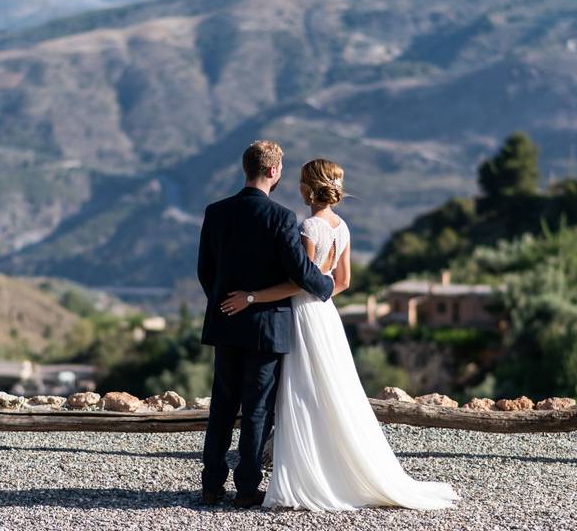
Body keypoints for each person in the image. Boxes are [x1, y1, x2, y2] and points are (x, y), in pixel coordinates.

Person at [220, 158, 461, 512]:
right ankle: (333, 469)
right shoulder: (342, 227)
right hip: (326, 316)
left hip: (302, 315)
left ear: (306, 188)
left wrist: (252, 297)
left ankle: (307, 475)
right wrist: (319, 300)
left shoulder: (307, 227)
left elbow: (297, 280)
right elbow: (343, 281)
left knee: (301, 393)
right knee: (332, 390)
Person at [197, 140, 335, 508]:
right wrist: (327, 284)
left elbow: (205, 272)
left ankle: (211, 486)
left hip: (226, 323)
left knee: (222, 407)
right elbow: (300, 271)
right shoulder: (281, 217)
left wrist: (227, 304)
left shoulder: (216, 212)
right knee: (257, 410)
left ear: (247, 169)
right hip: (267, 329)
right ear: (274, 171)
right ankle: (245, 489)